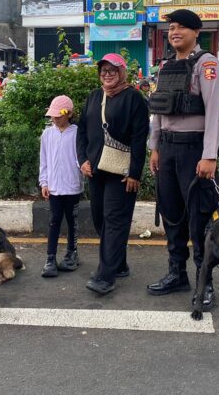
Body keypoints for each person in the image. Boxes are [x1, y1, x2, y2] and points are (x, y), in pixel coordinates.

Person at [147, 9, 219, 310]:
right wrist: (155, 147)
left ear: (196, 32)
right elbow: (159, 111)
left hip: (194, 151)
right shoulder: (166, 66)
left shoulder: (207, 65)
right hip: (167, 150)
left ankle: (205, 282)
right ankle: (177, 273)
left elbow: (214, 112)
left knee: (199, 220)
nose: (175, 32)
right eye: (171, 28)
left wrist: (209, 156)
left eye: (181, 27)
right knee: (172, 215)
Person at [77, 53, 149, 296]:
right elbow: (82, 131)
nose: (107, 74)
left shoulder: (134, 99)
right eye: (104, 70)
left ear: (122, 72)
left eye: (112, 70)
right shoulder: (94, 97)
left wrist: (135, 173)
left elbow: (139, 138)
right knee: (100, 219)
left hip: (121, 172)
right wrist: (82, 159)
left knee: (114, 221)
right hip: (95, 170)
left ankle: (105, 276)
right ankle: (119, 264)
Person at [39, 95, 83, 278]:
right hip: (54, 187)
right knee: (54, 220)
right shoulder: (47, 134)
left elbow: (81, 158)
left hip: (72, 187)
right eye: (53, 115)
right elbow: (44, 160)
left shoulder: (77, 133)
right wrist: (44, 182)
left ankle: (72, 252)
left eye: (59, 115)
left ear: (69, 113)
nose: (55, 118)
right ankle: (50, 258)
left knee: (72, 221)